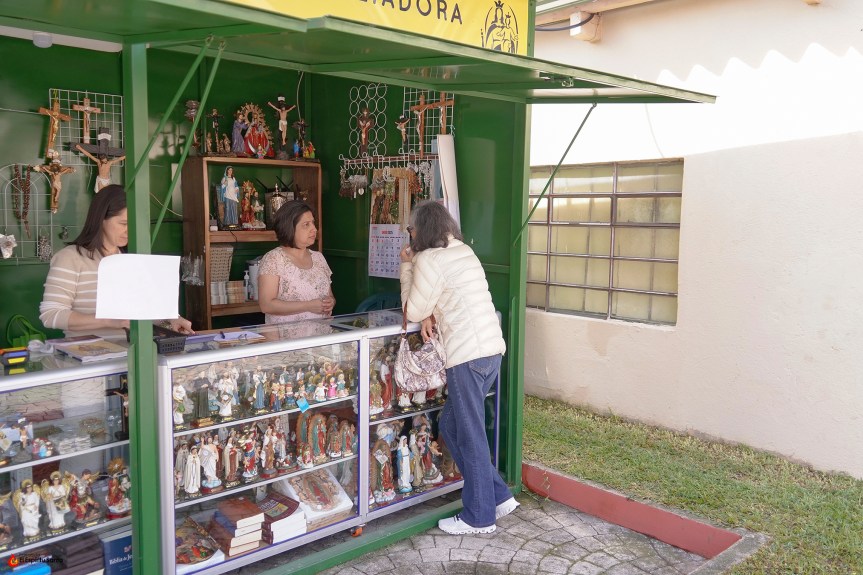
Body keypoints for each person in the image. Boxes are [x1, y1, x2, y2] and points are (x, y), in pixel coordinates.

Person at [399, 200, 514, 535]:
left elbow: (414, 308)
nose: (410, 234)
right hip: (490, 350)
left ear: (420, 230)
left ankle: (479, 517)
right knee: (450, 425)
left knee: (470, 435)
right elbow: (444, 296)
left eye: (411, 229)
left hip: (466, 356)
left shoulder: (429, 259)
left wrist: (406, 266)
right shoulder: (461, 250)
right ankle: (498, 494)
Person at [39, 185, 194, 339]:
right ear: (101, 219)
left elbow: (142, 309)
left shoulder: (132, 259)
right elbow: (51, 315)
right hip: (88, 355)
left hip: (130, 354)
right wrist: (110, 321)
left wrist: (170, 319)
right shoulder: (70, 258)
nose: (130, 231)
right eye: (124, 224)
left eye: (134, 225)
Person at [258, 200, 335, 324]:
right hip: (286, 339)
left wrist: (330, 302)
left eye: (313, 223)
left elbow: (329, 295)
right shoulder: (273, 259)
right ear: (289, 228)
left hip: (320, 336)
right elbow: (266, 305)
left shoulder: (319, 258)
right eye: (306, 225)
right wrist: (308, 306)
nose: (314, 229)